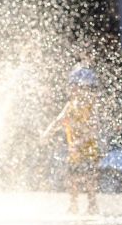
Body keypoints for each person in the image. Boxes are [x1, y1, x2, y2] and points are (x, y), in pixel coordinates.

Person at [42, 66, 101, 214]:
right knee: (72, 177)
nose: (73, 89)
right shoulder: (71, 105)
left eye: (76, 86)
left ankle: (92, 205)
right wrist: (47, 133)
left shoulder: (91, 106)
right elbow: (58, 121)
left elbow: (93, 130)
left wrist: (79, 142)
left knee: (89, 178)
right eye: (72, 86)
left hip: (88, 149)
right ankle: (73, 205)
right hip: (74, 149)